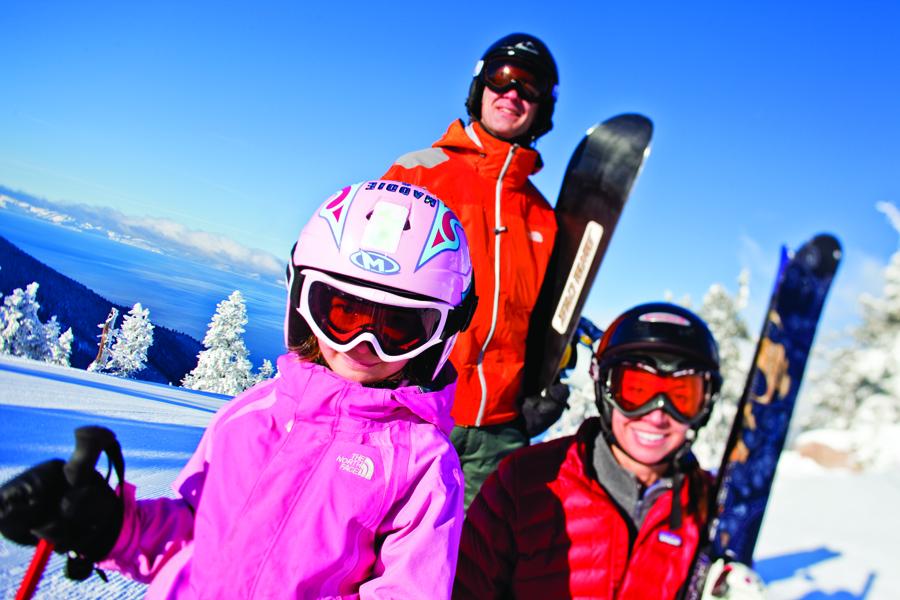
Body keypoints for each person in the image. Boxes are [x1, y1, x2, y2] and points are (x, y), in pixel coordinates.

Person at [0, 180, 478, 598]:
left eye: (397, 327)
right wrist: (110, 527)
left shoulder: (422, 466)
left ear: (439, 336)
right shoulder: (254, 414)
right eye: (343, 311)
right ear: (302, 300)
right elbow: (196, 533)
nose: (362, 344)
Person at [453, 302, 766, 599]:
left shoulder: (711, 510)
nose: (657, 416)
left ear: (705, 406)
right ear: (604, 389)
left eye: (680, 396)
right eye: (636, 390)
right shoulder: (525, 483)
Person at [383, 32, 568, 509]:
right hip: (413, 413)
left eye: (529, 88)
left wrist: (541, 383)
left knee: (476, 574)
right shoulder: (418, 173)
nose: (512, 94)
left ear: (542, 108)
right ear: (479, 87)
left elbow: (541, 318)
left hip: (498, 434)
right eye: (501, 78)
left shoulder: (544, 218)